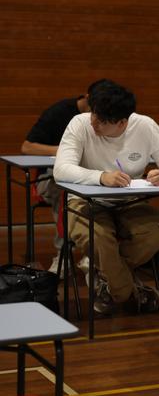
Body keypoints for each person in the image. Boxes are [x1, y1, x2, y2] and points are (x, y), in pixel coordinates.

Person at [53, 79, 159, 315]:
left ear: (123, 122)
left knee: (158, 233)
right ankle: (126, 290)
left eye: (102, 121)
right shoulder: (79, 124)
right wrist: (101, 177)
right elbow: (61, 169)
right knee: (99, 238)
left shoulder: (145, 126)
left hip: (130, 201)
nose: (94, 123)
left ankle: (105, 275)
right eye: (94, 114)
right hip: (84, 203)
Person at [21, 81, 102, 277]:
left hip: (88, 175)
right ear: (86, 97)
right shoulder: (59, 112)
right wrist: (64, 150)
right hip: (49, 178)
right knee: (65, 192)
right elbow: (27, 147)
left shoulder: (104, 119)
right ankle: (63, 253)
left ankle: (96, 253)